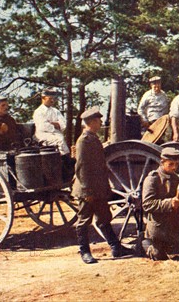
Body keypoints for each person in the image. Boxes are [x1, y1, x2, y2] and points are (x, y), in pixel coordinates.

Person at [72, 107, 124, 264]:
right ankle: (85, 252)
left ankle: (116, 247)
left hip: (98, 188)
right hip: (86, 189)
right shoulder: (83, 141)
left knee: (103, 218)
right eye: (98, 120)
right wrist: (87, 190)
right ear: (92, 122)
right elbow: (81, 167)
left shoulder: (93, 138)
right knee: (84, 220)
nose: (101, 122)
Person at [33, 89, 69, 155]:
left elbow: (63, 124)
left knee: (60, 139)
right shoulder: (38, 112)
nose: (52, 100)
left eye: (53, 98)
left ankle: (64, 159)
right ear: (43, 98)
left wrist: (51, 123)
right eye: (50, 98)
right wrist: (56, 124)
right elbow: (43, 126)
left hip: (56, 134)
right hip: (42, 135)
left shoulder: (56, 111)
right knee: (60, 140)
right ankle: (63, 159)